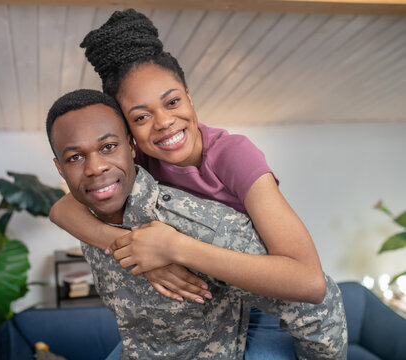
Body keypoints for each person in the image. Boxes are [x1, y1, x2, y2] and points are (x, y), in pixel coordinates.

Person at [49, 9, 333, 358]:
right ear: (128, 135)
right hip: (197, 315)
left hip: (265, 304)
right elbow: (63, 209)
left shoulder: (233, 156)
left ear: (189, 97)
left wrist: (174, 249)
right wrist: (135, 247)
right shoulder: (138, 162)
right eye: (141, 116)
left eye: (172, 102)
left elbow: (309, 281)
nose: (165, 122)